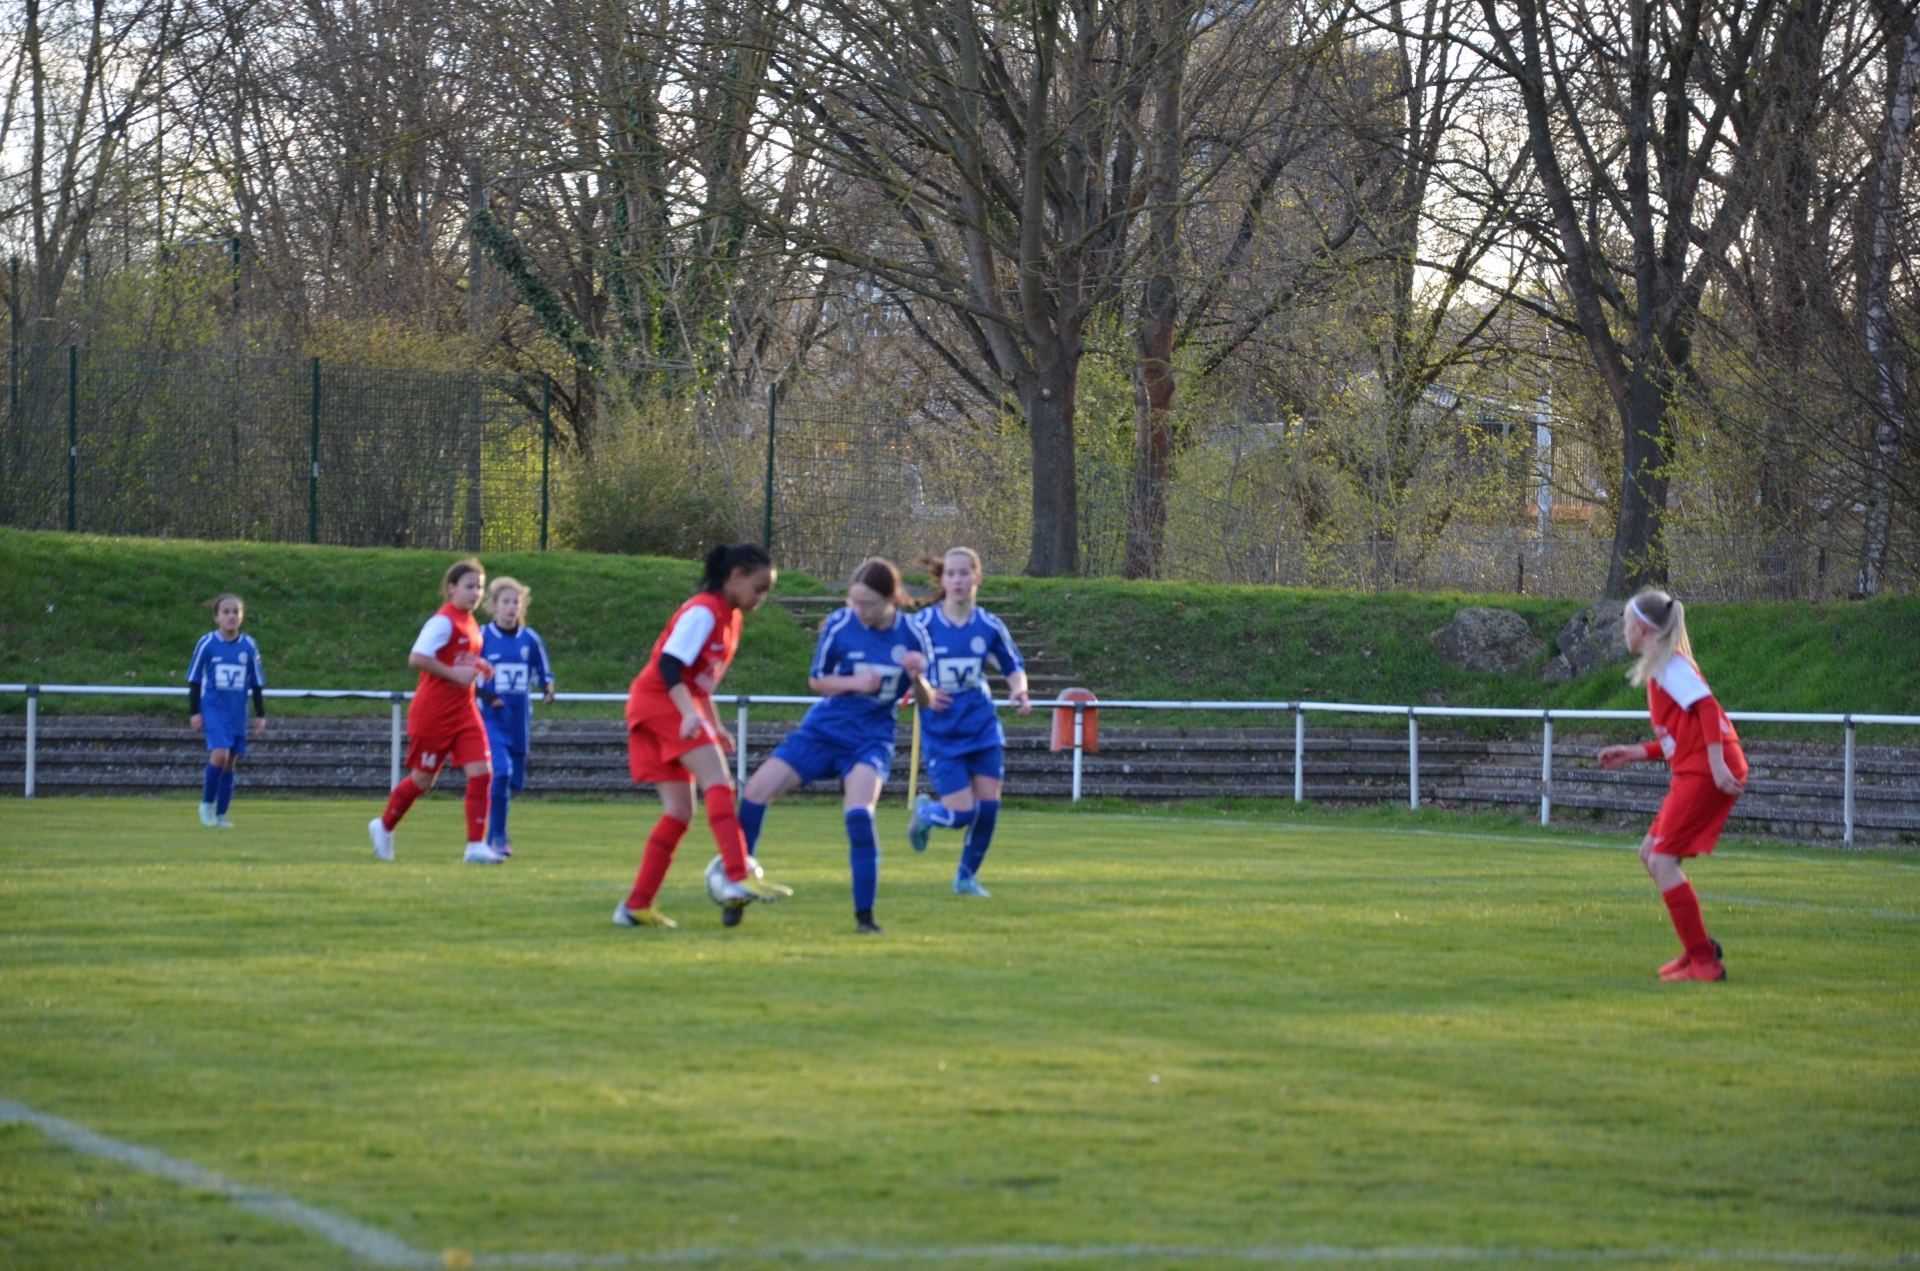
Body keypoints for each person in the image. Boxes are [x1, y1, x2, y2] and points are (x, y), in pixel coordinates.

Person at [739, 557, 937, 935]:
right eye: (854, 601)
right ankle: (737, 886)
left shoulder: (913, 636)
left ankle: (865, 917)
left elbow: (927, 701)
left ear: (891, 599)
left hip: (871, 738)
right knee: (755, 792)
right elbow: (817, 680)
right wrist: (854, 684)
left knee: (860, 814)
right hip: (823, 730)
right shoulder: (840, 623)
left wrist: (917, 679)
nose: (860, 611)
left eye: (869, 604)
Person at [616, 544, 793, 930]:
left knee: (680, 812)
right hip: (659, 702)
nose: (761, 598)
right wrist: (687, 714)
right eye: (758, 588)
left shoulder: (731, 618)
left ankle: (635, 906)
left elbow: (700, 682)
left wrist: (713, 724)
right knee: (720, 784)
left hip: (661, 705)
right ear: (735, 577)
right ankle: (736, 872)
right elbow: (668, 665)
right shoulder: (703, 610)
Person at [1597, 588, 1747, 982]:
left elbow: (1708, 708)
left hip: (1705, 771)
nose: (1623, 630)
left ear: (1644, 629)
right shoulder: (1660, 667)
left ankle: (1705, 962)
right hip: (1696, 767)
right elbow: (1682, 736)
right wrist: (1635, 752)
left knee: (1662, 861)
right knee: (1651, 854)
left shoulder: (1669, 666)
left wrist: (1715, 765)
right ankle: (1696, 947)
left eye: (1626, 623)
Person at [906, 548, 1031, 896]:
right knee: (960, 813)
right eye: (951, 574)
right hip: (941, 732)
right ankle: (927, 813)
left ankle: (965, 878)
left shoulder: (989, 625)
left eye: (964, 574)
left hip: (982, 727)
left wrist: (1019, 692)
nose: (958, 580)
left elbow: (1013, 666)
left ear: (976, 578)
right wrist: (924, 687)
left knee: (989, 806)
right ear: (943, 580)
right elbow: (905, 670)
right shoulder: (922, 625)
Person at [369, 559, 503, 865]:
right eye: (470, 587)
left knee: (482, 773)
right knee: (423, 781)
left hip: (464, 710)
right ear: (451, 588)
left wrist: (477, 664)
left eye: (479, 587)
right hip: (434, 713)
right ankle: (384, 826)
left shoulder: (470, 622)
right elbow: (417, 657)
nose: (475, 593)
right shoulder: (443, 621)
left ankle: (475, 846)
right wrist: (455, 674)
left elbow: (458, 656)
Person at [477, 577, 554, 857]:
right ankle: (498, 837)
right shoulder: (482, 636)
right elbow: (470, 675)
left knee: (509, 782)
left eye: (515, 602)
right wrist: (488, 696)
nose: (511, 607)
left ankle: (490, 836)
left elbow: (543, 671)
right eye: (505, 602)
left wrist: (548, 689)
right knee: (500, 772)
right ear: (494, 606)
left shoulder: (530, 639)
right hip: (490, 720)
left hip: (518, 722)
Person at [186, 594, 267, 828]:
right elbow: (194, 680)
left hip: (237, 712)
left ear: (241, 617)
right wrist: (195, 711)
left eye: (236, 612)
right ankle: (206, 804)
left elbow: (256, 683)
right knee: (219, 755)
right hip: (213, 709)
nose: (231, 616)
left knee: (231, 762)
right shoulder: (207, 644)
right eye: (226, 612)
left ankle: (221, 815)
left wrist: (260, 715)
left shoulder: (248, 645)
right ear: (216, 618)